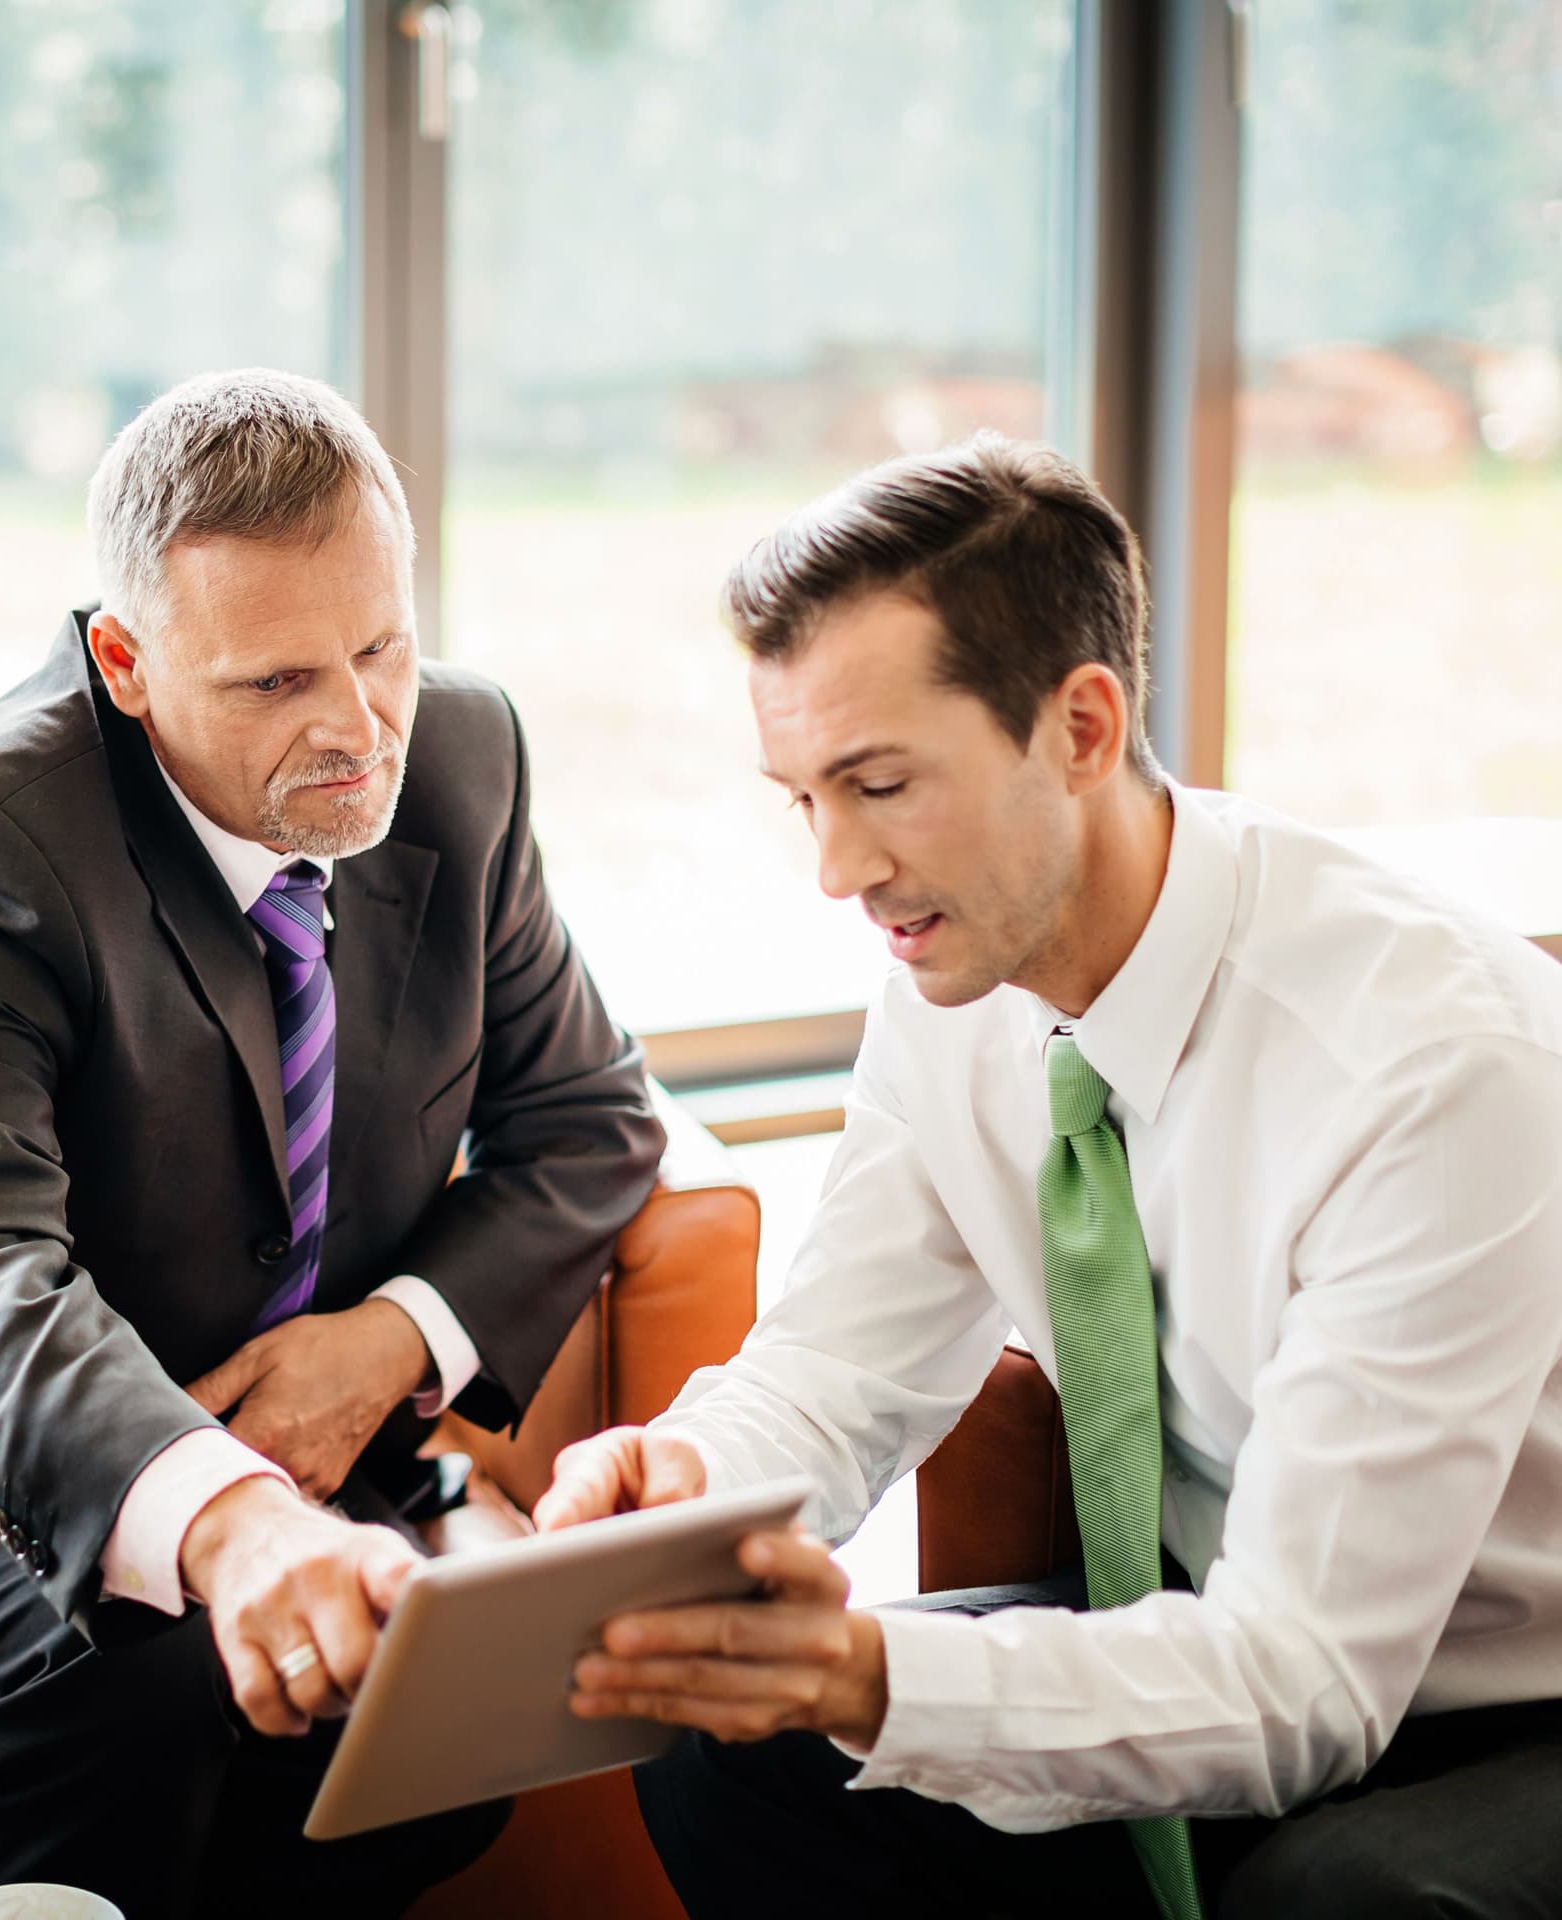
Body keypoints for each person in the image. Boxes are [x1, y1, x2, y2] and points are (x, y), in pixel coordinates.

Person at [0, 368, 664, 1917]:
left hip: (271, 1426)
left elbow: (588, 1122)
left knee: (423, 1739)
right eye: (274, 685)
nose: (357, 729)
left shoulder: (458, 755)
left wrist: (384, 1346)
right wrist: (236, 1524)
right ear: (123, 659)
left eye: (380, 647)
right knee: (149, 1673)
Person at [535, 433, 1562, 1919]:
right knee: (728, 1759)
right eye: (802, 795)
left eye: (881, 783)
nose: (836, 868)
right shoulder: (956, 981)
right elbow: (835, 1368)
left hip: (1508, 1691)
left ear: (1082, 726)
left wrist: (881, 1673)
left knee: (1348, 1899)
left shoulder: (1427, 1067)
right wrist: (692, 1486)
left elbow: (1313, 1677)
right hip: (1216, 1619)